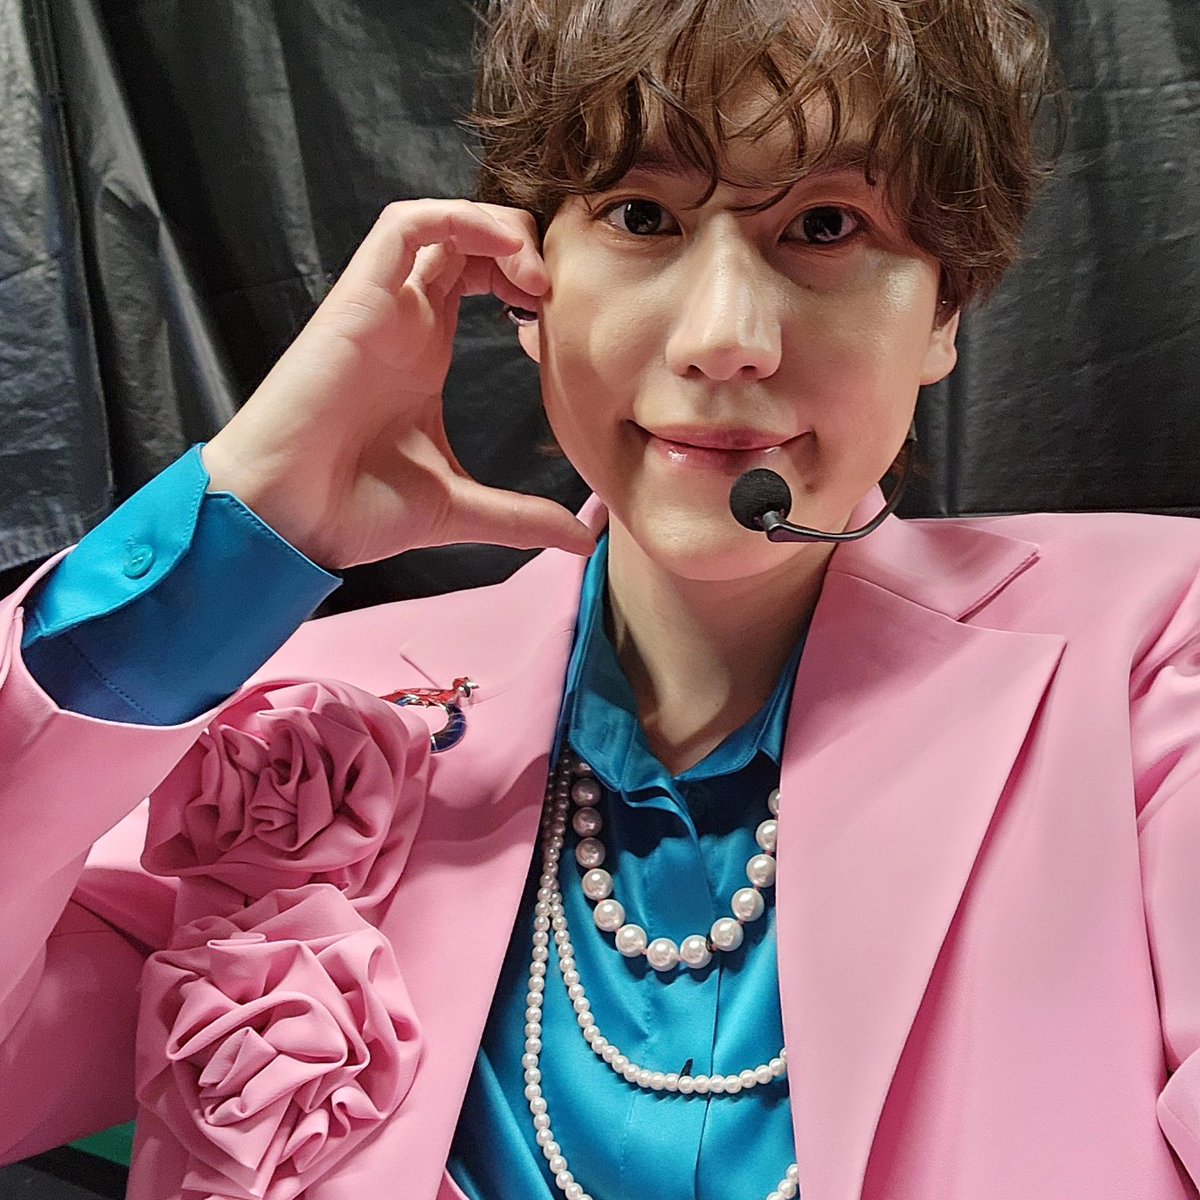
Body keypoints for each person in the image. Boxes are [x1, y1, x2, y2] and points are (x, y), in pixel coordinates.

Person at [3, 1, 1200, 1198]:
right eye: (640, 217)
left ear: (943, 311)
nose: (724, 340)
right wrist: (232, 525)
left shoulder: (1154, 656)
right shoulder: (293, 732)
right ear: (525, 286)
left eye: (825, 225)